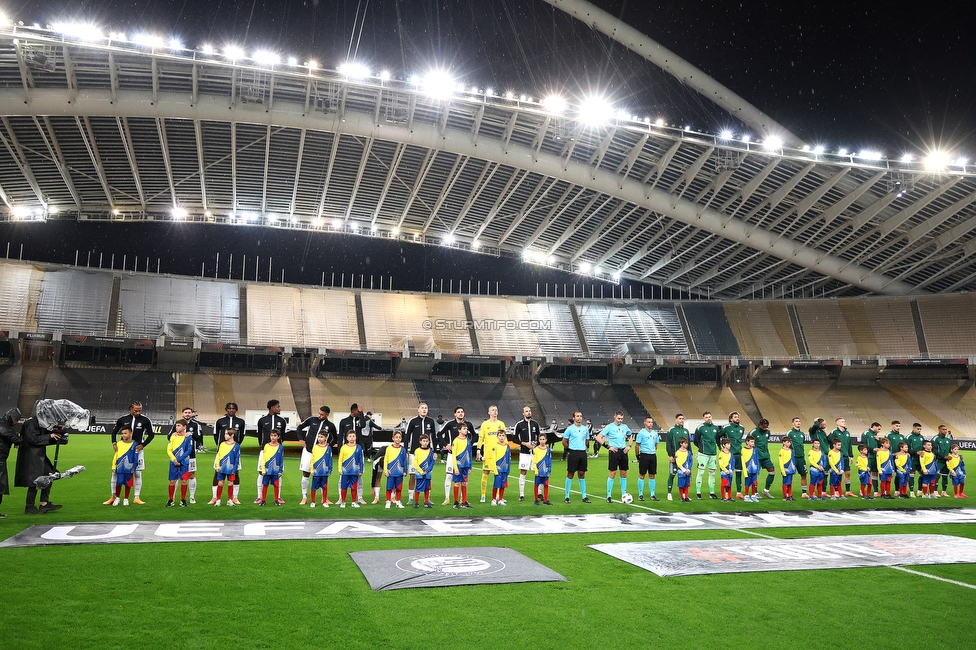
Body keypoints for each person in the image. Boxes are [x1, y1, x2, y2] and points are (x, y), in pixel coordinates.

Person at [107, 401, 154, 505]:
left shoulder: (145, 420)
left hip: (137, 450)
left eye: (140, 410)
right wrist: (114, 443)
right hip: (123, 449)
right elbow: (114, 432)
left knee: (137, 473)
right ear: (131, 409)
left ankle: (136, 497)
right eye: (136, 410)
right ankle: (113, 496)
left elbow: (151, 435)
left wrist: (143, 444)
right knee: (115, 472)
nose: (138, 412)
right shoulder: (122, 419)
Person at [297, 406, 336, 505]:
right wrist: (301, 439)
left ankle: (324, 499)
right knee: (306, 473)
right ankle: (304, 497)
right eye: (319, 413)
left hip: (321, 455)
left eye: (322, 414)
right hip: (308, 451)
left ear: (327, 414)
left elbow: (336, 438)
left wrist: (329, 446)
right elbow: (299, 427)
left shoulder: (330, 425)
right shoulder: (312, 420)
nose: (320, 415)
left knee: (323, 475)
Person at [212, 402, 246, 503]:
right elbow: (216, 435)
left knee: (235, 473)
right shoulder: (219, 421)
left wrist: (234, 447)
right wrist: (222, 447)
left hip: (234, 452)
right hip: (222, 452)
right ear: (226, 409)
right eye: (229, 408)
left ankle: (234, 497)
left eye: (233, 408)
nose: (231, 410)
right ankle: (214, 497)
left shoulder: (241, 422)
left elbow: (242, 436)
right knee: (217, 473)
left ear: (236, 410)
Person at [440, 406, 475, 505]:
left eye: (462, 412)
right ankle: (447, 498)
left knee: (464, 478)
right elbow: (439, 434)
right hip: (452, 455)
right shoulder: (450, 424)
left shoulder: (468, 424)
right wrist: (446, 445)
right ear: (455, 414)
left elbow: (475, 435)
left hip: (464, 457)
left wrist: (470, 444)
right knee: (449, 476)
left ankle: (462, 499)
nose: (460, 413)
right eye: (458, 412)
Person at [596, 411, 633, 502]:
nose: (620, 420)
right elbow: (598, 437)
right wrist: (608, 446)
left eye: (621, 419)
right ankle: (609, 495)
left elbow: (630, 436)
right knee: (612, 473)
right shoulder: (609, 427)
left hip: (623, 451)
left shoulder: (625, 427)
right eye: (618, 418)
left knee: (623, 473)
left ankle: (624, 494)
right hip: (614, 451)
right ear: (615, 417)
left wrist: (629, 446)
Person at [255, 400, 287, 504]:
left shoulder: (282, 421)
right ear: (272, 407)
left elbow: (283, 435)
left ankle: (278, 497)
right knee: (261, 473)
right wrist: (263, 447)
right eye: (278, 406)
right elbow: (259, 435)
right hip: (265, 450)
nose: (279, 408)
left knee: (278, 473)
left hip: (277, 451)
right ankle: (260, 497)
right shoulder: (262, 420)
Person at [405, 403, 436, 505]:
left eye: (426, 408)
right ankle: (410, 497)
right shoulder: (413, 421)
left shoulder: (431, 421)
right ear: (418, 409)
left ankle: (427, 498)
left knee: (428, 475)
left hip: (427, 454)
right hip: (415, 453)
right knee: (413, 475)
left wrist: (435, 451)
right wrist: (405, 451)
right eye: (422, 408)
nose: (424, 410)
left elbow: (434, 437)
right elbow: (407, 436)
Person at [168, 409, 201, 504]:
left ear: (192, 414)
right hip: (177, 455)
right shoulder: (177, 424)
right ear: (182, 414)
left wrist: (191, 434)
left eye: (189, 412)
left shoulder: (195, 425)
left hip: (190, 455)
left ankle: (191, 496)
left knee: (191, 475)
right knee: (176, 476)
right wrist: (173, 433)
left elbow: (198, 437)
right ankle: (172, 498)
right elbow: (169, 437)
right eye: (185, 412)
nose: (187, 414)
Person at [477, 405, 506, 503]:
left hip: (500, 455)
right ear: (489, 412)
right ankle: (483, 495)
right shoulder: (485, 424)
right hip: (488, 454)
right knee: (486, 473)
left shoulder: (501, 424)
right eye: (493, 410)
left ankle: (498, 495)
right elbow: (481, 438)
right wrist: (478, 451)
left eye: (496, 410)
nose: (495, 412)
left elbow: (504, 439)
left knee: (499, 475)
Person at [514, 405, 541, 502]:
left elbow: (539, 436)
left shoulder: (535, 424)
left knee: (538, 472)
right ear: (523, 413)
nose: (529, 412)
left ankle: (539, 492)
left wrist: (536, 444)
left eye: (529, 411)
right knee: (523, 471)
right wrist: (525, 444)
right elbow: (514, 439)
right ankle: (521, 494)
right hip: (524, 452)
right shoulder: (519, 424)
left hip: (535, 453)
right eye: (526, 411)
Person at [563, 411, 591, 504]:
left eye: (580, 416)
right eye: (577, 416)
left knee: (582, 474)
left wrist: (584, 448)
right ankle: (567, 496)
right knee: (570, 473)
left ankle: (584, 496)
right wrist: (569, 450)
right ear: (574, 418)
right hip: (573, 452)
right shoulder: (570, 429)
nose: (579, 418)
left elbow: (587, 440)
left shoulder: (585, 429)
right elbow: (564, 441)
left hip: (582, 453)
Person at [693, 411, 722, 499]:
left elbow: (717, 440)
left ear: (711, 417)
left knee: (712, 473)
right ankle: (698, 492)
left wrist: (719, 448)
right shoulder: (700, 428)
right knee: (700, 473)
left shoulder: (715, 428)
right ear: (703, 418)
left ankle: (712, 493)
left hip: (713, 454)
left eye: (709, 416)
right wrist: (702, 448)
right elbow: (695, 440)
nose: (708, 418)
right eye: (706, 417)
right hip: (703, 454)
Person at [0, 407, 22, 518]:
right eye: (16, 420)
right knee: (0, 485)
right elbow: (13, 437)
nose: (17, 422)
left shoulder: (3, 424)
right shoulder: (3, 426)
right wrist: (19, 441)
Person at [165, 421, 193, 508]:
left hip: (184, 462)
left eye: (179, 426)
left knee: (184, 481)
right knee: (172, 481)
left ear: (184, 427)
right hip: (173, 462)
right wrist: (174, 459)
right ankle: (170, 499)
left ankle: (183, 499)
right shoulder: (173, 437)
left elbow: (189, 450)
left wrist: (179, 459)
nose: (177, 427)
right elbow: (169, 449)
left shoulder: (188, 437)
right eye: (176, 426)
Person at [212, 428, 241, 507]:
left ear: (231, 435)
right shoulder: (222, 444)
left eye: (226, 434)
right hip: (222, 467)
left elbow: (237, 458)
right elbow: (219, 455)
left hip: (231, 468)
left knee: (230, 483)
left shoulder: (236, 446)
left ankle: (229, 499)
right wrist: (217, 466)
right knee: (220, 483)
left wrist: (234, 469)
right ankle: (218, 500)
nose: (224, 435)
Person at [111, 427, 139, 506]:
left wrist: (134, 467)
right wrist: (113, 466)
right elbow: (116, 455)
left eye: (125, 433)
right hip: (120, 467)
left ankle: (126, 499)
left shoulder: (134, 444)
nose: (123, 435)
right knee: (118, 483)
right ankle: (117, 498)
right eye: (122, 433)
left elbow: (135, 457)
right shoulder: (119, 443)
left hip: (129, 467)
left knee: (128, 484)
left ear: (130, 434)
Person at [634, 416, 659, 501]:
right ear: (645, 423)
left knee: (652, 475)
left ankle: (652, 494)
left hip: (652, 455)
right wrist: (638, 456)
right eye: (648, 422)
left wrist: (653, 451)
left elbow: (656, 444)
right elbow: (637, 445)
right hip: (644, 455)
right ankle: (640, 494)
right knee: (642, 475)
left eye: (651, 422)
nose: (650, 424)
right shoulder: (641, 433)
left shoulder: (655, 433)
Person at [666, 414, 690, 501]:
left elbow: (689, 445)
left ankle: (684, 494)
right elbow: (668, 444)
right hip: (675, 458)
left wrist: (690, 455)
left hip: (685, 459)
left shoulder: (686, 431)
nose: (681, 420)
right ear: (676, 420)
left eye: (683, 419)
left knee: (684, 476)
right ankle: (669, 493)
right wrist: (671, 455)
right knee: (672, 475)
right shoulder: (671, 430)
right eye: (680, 418)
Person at [828, 417, 854, 497]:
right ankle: (836, 491)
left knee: (848, 473)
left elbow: (849, 444)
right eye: (842, 421)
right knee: (837, 474)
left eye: (844, 421)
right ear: (837, 423)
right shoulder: (834, 432)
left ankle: (848, 491)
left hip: (845, 456)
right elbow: (830, 442)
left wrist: (851, 455)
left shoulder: (847, 433)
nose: (844, 422)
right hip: (838, 456)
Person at [721, 411, 745, 499]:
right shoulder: (726, 427)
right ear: (731, 419)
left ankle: (738, 492)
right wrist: (721, 447)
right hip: (729, 455)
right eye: (735, 417)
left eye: (738, 417)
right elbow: (718, 436)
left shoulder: (742, 428)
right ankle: (727, 493)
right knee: (728, 474)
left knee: (739, 473)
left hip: (739, 454)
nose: (737, 418)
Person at [258, 429, 285, 506]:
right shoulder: (266, 446)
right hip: (267, 470)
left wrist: (280, 471)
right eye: (271, 435)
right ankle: (263, 500)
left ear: (278, 437)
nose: (273, 437)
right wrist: (263, 469)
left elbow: (281, 460)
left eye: (275, 436)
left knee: (276, 485)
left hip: (276, 470)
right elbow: (264, 458)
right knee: (265, 485)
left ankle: (276, 500)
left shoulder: (280, 447)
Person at [338, 430, 364, 508]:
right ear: (347, 438)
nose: (352, 438)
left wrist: (361, 470)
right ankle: (343, 502)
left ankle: (353, 502)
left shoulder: (358, 447)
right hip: (345, 472)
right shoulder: (343, 447)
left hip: (354, 472)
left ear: (356, 437)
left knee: (354, 487)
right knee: (344, 487)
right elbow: (340, 459)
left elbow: (360, 460)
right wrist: (340, 469)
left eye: (353, 436)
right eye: (350, 436)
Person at [487, 429, 513, 506]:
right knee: (496, 485)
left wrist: (508, 469)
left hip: (505, 469)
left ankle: (501, 499)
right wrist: (495, 470)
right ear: (497, 437)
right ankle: (494, 499)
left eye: (503, 435)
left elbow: (508, 459)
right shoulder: (495, 446)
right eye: (500, 435)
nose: (501, 437)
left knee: (503, 485)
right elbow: (493, 459)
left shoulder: (507, 446)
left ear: (505, 437)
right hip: (498, 468)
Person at [451, 423, 473, 509]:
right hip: (459, 465)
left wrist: (470, 467)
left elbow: (470, 454)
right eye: (464, 429)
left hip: (466, 466)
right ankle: (456, 502)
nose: (466, 430)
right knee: (457, 483)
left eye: (466, 429)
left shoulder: (468, 440)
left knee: (464, 483)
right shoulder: (456, 441)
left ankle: (464, 501)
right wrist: (455, 467)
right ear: (459, 430)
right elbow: (454, 455)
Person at [383, 431, 408, 508]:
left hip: (399, 473)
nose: (398, 439)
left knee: (399, 488)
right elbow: (385, 460)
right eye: (396, 437)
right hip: (390, 472)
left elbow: (405, 461)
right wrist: (385, 470)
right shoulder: (389, 448)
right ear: (393, 438)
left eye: (399, 437)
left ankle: (398, 501)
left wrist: (405, 471)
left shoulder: (403, 449)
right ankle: (388, 501)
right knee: (389, 487)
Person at [309, 431, 333, 507]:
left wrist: (329, 470)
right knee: (313, 487)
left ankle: (324, 501)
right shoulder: (315, 447)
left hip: (325, 471)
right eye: (319, 437)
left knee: (324, 487)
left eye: (322, 437)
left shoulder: (328, 448)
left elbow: (330, 460)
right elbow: (312, 459)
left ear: (326, 438)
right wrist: (312, 469)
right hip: (316, 471)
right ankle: (313, 501)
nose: (319, 438)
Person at [786, 417, 808, 498]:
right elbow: (785, 445)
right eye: (796, 421)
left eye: (799, 421)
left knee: (804, 474)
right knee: (790, 475)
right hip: (792, 458)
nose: (798, 422)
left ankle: (804, 493)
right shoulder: (790, 433)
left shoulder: (802, 434)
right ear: (793, 423)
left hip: (801, 458)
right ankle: (788, 493)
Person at [860, 421, 883, 497]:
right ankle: (862, 490)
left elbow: (881, 446)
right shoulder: (866, 433)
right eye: (878, 429)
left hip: (876, 458)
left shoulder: (875, 435)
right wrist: (872, 449)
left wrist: (878, 440)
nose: (879, 430)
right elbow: (863, 445)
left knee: (875, 474)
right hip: (868, 457)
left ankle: (876, 492)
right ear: (874, 426)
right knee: (866, 474)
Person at [413, 433, 435, 509]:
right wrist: (420, 471)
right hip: (419, 473)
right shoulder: (417, 451)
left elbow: (432, 462)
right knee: (418, 488)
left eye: (427, 441)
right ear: (420, 442)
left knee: (427, 488)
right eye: (424, 441)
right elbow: (415, 462)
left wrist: (427, 470)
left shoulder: (430, 451)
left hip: (427, 473)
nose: (425, 442)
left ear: (429, 442)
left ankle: (426, 502)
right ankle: (416, 502)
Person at [932, 424, 954, 498]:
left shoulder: (947, 440)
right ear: (939, 430)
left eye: (945, 429)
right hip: (938, 461)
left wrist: (956, 456)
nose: (945, 431)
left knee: (945, 476)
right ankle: (935, 491)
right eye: (943, 429)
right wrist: (943, 457)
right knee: (937, 476)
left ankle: (944, 492)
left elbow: (950, 451)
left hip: (946, 461)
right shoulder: (935, 439)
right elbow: (934, 451)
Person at [532, 432, 553, 506]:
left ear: (546, 440)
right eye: (540, 439)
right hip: (539, 470)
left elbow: (550, 460)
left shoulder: (548, 449)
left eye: (543, 439)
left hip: (546, 470)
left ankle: (545, 500)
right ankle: (536, 499)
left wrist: (549, 470)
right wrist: (536, 470)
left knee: (546, 485)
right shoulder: (536, 449)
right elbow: (534, 461)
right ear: (538, 440)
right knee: (536, 484)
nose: (542, 441)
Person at [906, 423, 926, 497]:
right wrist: (915, 452)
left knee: (923, 474)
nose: (919, 430)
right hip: (912, 459)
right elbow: (906, 448)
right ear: (913, 428)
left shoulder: (921, 437)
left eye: (920, 429)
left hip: (921, 460)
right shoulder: (909, 437)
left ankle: (919, 490)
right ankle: (911, 491)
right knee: (912, 475)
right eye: (918, 429)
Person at [887, 421, 906, 494]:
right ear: (892, 426)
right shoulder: (889, 435)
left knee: (899, 474)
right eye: (897, 426)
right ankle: (887, 491)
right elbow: (885, 446)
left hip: (900, 458)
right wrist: (893, 454)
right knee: (890, 474)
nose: (898, 427)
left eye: (899, 426)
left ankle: (897, 490)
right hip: (891, 458)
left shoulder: (901, 436)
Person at [674, 437, 693, 503]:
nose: (686, 444)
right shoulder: (677, 452)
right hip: (681, 471)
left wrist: (689, 469)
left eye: (687, 443)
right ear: (681, 444)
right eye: (685, 443)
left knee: (686, 484)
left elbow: (690, 461)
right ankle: (681, 497)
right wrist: (684, 470)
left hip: (688, 471)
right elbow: (678, 462)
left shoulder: (689, 452)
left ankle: (686, 497)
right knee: (681, 484)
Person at [742, 435, 759, 502]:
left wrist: (758, 469)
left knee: (754, 483)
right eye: (751, 442)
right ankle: (746, 495)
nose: (753, 443)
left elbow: (757, 460)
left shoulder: (755, 449)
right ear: (747, 442)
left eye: (753, 442)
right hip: (748, 470)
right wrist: (745, 471)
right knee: (747, 483)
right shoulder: (743, 450)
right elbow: (743, 461)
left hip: (754, 469)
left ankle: (753, 495)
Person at [778, 436, 796, 501]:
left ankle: (790, 495)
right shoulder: (781, 451)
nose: (789, 443)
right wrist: (783, 471)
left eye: (790, 442)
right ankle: (785, 496)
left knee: (790, 483)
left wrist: (794, 469)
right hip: (786, 469)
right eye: (787, 442)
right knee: (785, 483)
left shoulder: (791, 451)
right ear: (783, 442)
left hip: (791, 469)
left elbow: (793, 460)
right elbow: (781, 462)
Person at [717, 438, 734, 502]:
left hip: (730, 471)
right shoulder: (721, 453)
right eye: (728, 444)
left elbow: (733, 462)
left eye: (729, 444)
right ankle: (723, 497)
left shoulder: (731, 453)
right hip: (724, 471)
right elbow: (721, 463)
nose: (729, 445)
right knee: (724, 484)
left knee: (729, 484)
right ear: (724, 445)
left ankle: (729, 497)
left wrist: (731, 469)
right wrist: (725, 470)